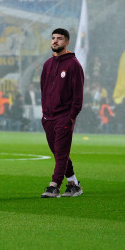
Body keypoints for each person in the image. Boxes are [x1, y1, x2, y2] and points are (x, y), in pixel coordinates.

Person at [40, 28, 84, 198]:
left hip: (64, 116)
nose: (55, 41)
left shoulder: (74, 65)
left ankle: (54, 185)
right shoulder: (47, 64)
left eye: (59, 38)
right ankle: (73, 184)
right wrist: (44, 114)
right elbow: (43, 90)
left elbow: (78, 95)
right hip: (48, 117)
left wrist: (71, 116)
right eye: (53, 38)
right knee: (59, 152)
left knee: (61, 152)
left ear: (67, 42)